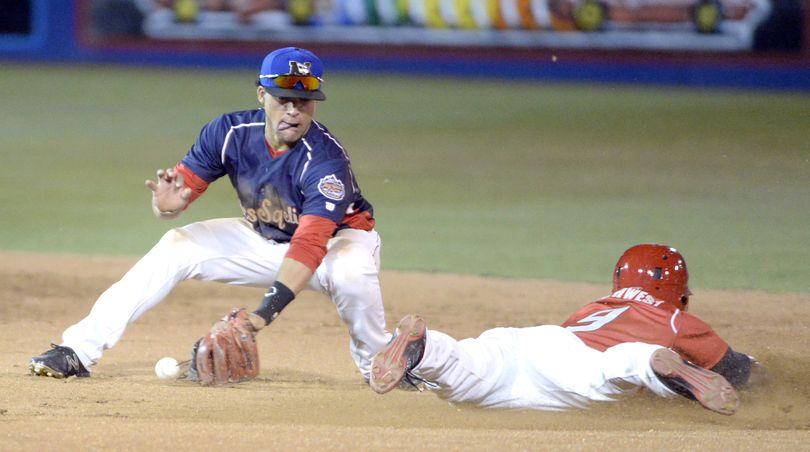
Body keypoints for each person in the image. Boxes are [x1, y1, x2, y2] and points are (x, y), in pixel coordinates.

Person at [29, 46, 391, 383]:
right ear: (262, 95)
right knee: (178, 244)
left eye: (305, 101)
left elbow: (310, 245)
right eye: (284, 99)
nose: (294, 111)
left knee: (351, 273)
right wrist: (165, 205)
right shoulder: (229, 133)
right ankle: (77, 350)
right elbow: (176, 194)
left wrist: (260, 316)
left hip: (336, 244)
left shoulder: (324, 162)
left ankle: (381, 364)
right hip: (265, 239)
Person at [368, 244, 758, 415]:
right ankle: (650, 362)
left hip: (531, 342)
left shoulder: (597, 307)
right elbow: (739, 372)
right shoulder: (675, 319)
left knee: (467, 371)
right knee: (610, 371)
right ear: (678, 292)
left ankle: (427, 349)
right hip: (574, 367)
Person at [561, 243, 766, 389]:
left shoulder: (589, 309)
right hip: (595, 382)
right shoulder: (674, 321)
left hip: (547, 362)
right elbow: (736, 372)